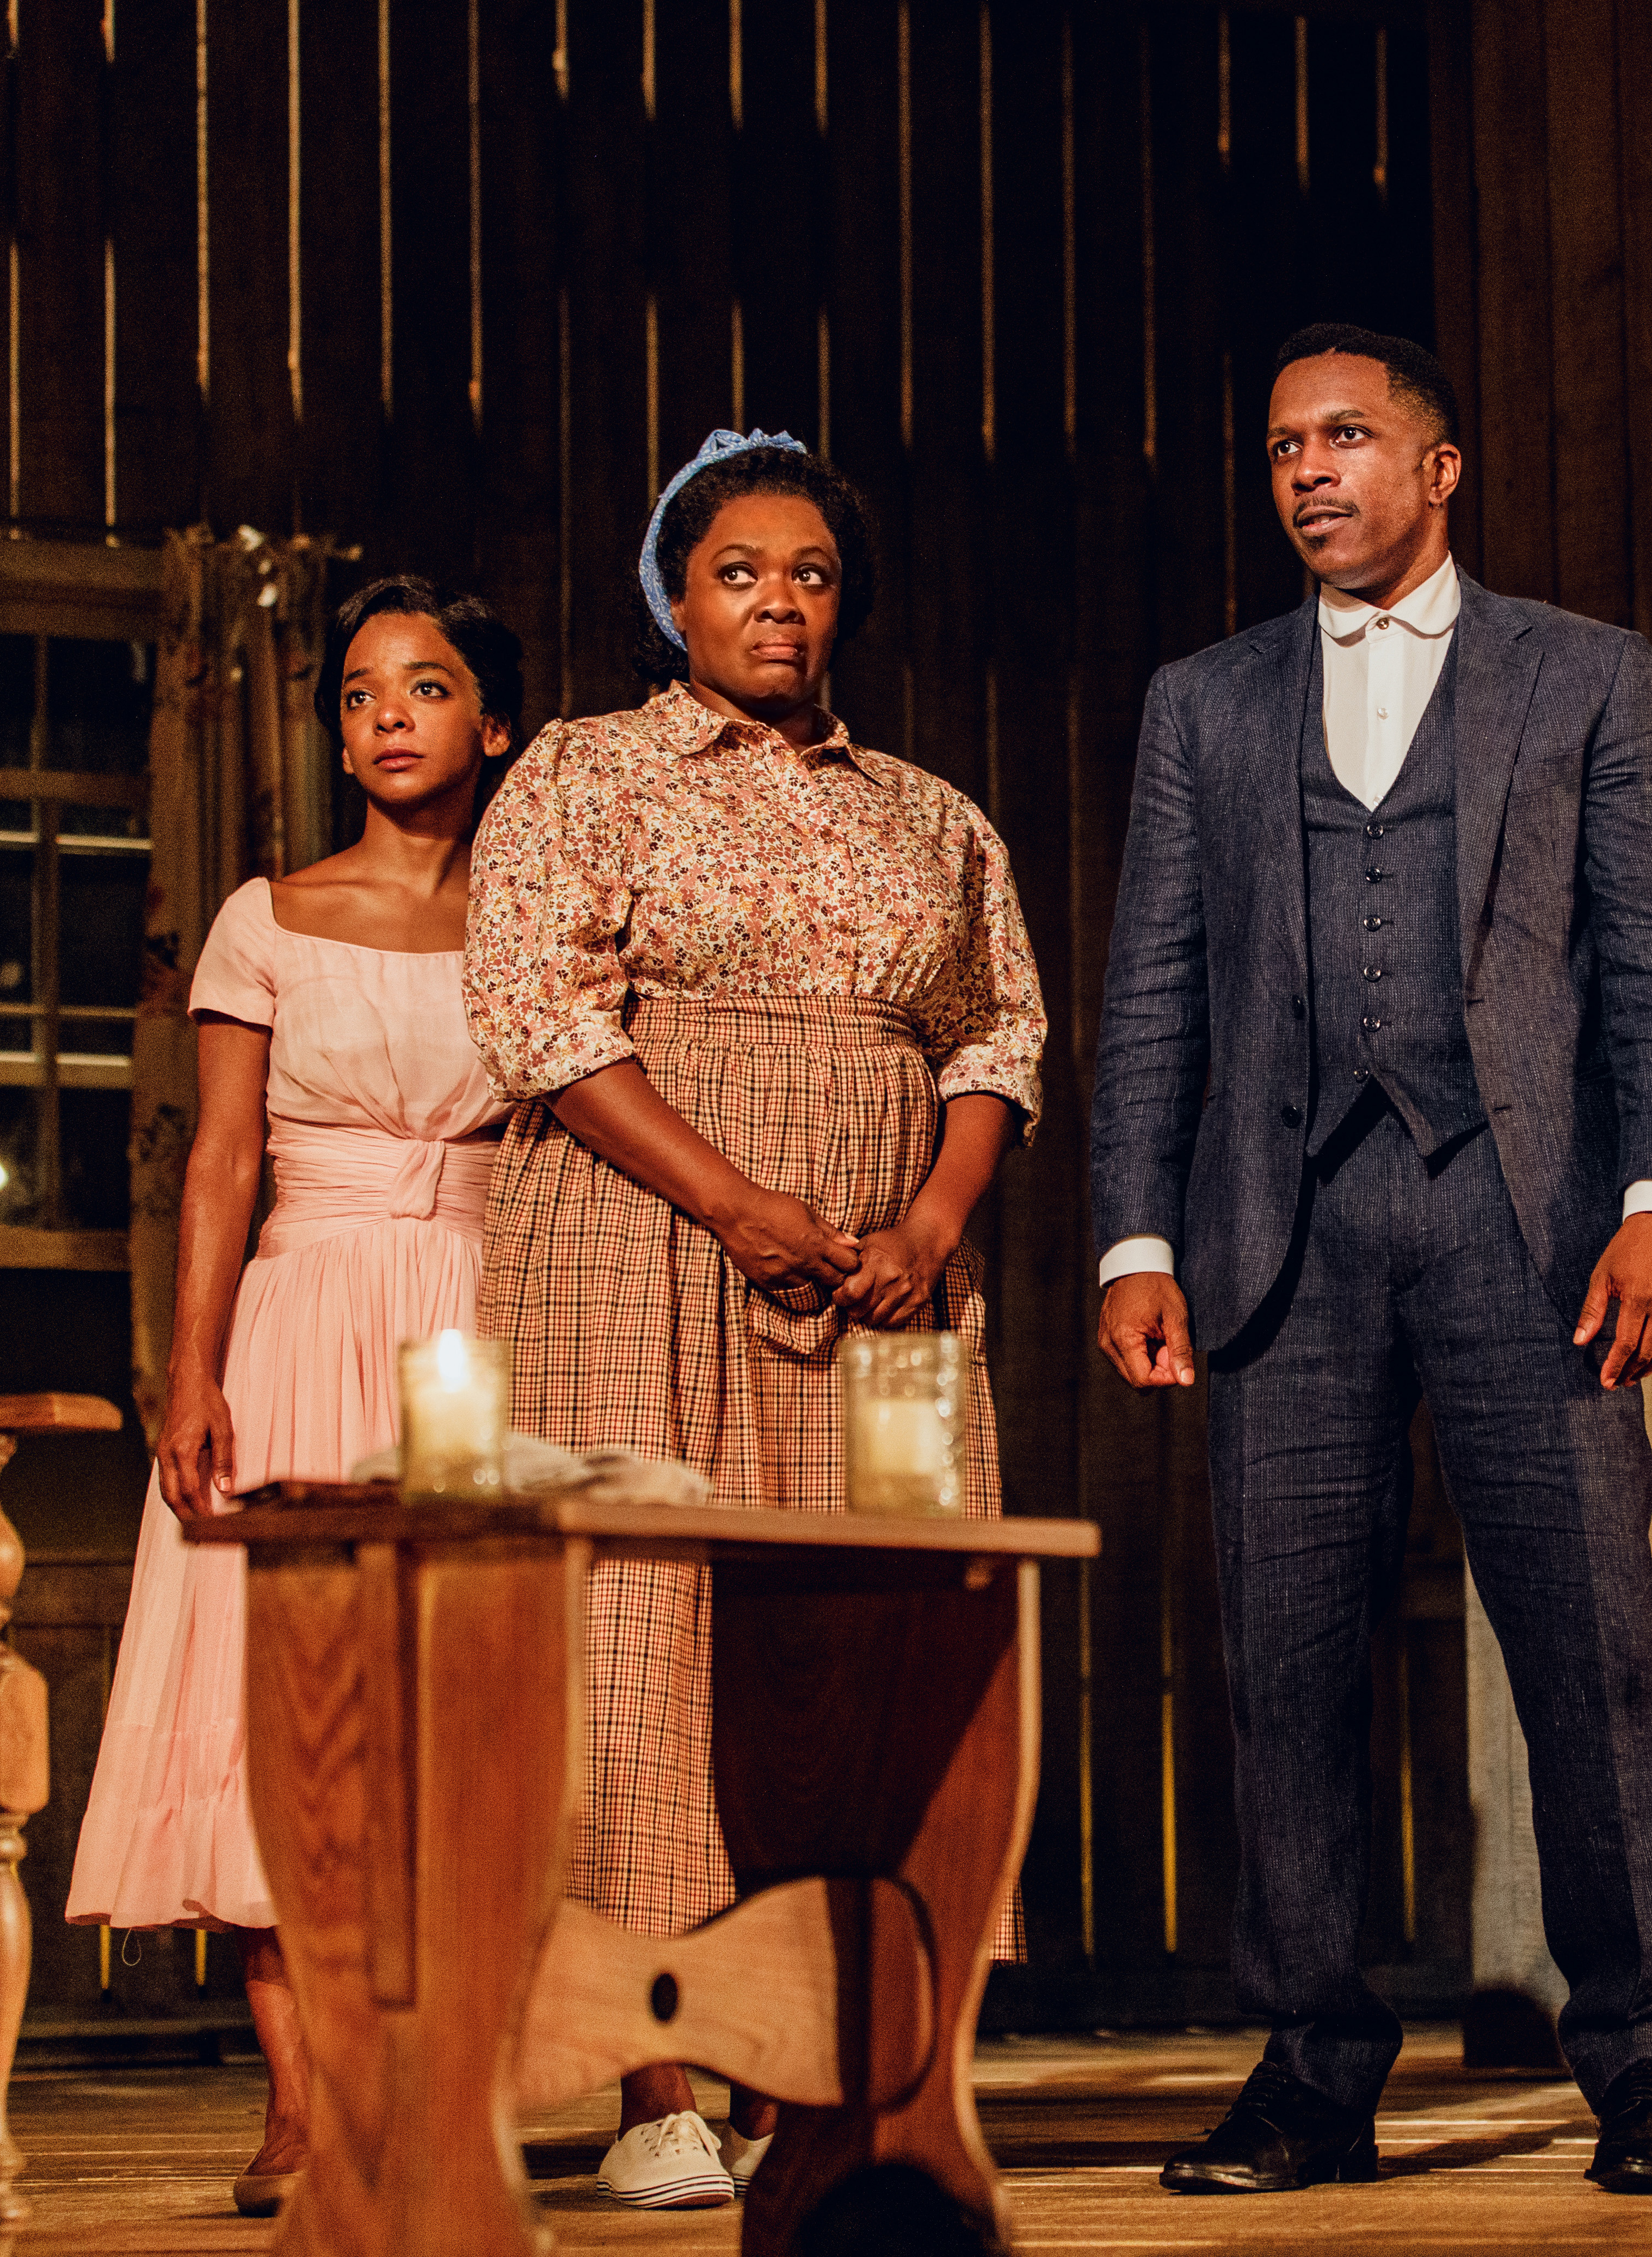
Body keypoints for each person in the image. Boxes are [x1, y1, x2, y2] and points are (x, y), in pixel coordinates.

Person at [1090, 325, 1652, 2198]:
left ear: (1439, 469)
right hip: (1280, 1234)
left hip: (1525, 1220)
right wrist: (1136, 1234)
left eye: (1346, 436)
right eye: (1281, 443)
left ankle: (1635, 2057)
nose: (1305, 470)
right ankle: (1311, 2068)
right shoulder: (1200, 704)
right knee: (1283, 1660)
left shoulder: (1585, 677)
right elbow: (1151, 994)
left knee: (1587, 1645)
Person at [464, 431, 1045, 2211]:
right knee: (639, 1629)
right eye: (738, 571)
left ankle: (851, 2061)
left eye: (808, 572)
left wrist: (931, 1221)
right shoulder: (582, 771)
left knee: (868, 1632)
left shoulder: (929, 812)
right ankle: (653, 2078)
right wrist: (730, 1200)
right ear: (675, 595)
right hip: (639, 1228)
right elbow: (538, 1011)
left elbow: (996, 1033)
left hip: (876, 1251)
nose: (778, 601)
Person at [66, 575, 524, 2218]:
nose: (385, 714)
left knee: (460, 1698)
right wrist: (187, 1366)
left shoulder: (541, 919)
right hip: (303, 1305)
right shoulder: (266, 915)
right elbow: (220, 1159)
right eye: (355, 691)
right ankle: (295, 2100)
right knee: (285, 1696)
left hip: (479, 1324)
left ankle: (452, 2077)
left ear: (495, 721)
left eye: (424, 684)